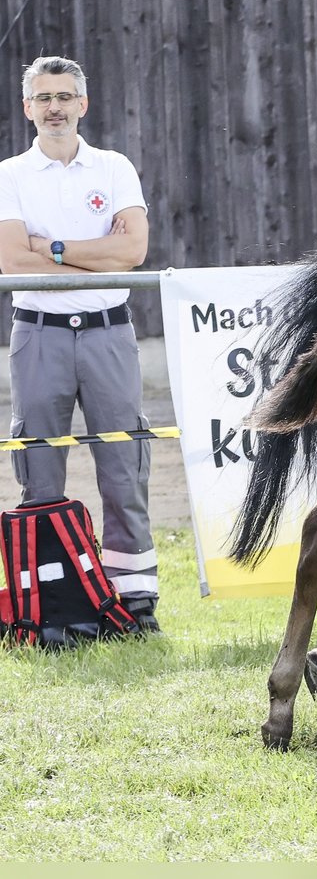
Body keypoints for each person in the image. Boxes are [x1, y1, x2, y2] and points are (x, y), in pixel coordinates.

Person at [0, 56, 158, 632]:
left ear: (83, 105)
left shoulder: (113, 167)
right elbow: (13, 262)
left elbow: (133, 253)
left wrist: (55, 249)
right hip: (38, 335)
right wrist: (95, 252)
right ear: (27, 109)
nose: (55, 108)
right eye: (43, 98)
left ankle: (137, 601)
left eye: (64, 97)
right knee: (39, 468)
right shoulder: (9, 174)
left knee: (124, 467)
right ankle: (55, 604)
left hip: (108, 332)